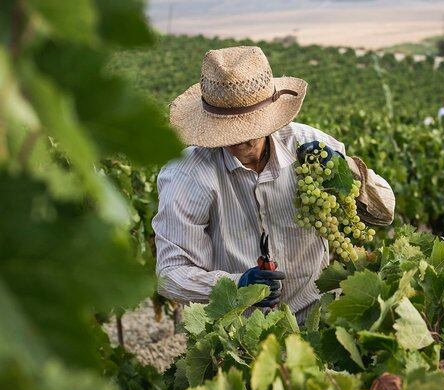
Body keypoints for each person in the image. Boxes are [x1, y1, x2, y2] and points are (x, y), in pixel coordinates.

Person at [152, 46, 395, 324]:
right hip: (236, 334)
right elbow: (171, 275)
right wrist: (236, 285)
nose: (242, 140)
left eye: (251, 128)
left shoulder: (311, 149)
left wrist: (347, 169)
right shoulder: (187, 173)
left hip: (313, 317)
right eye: (228, 132)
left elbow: (384, 213)